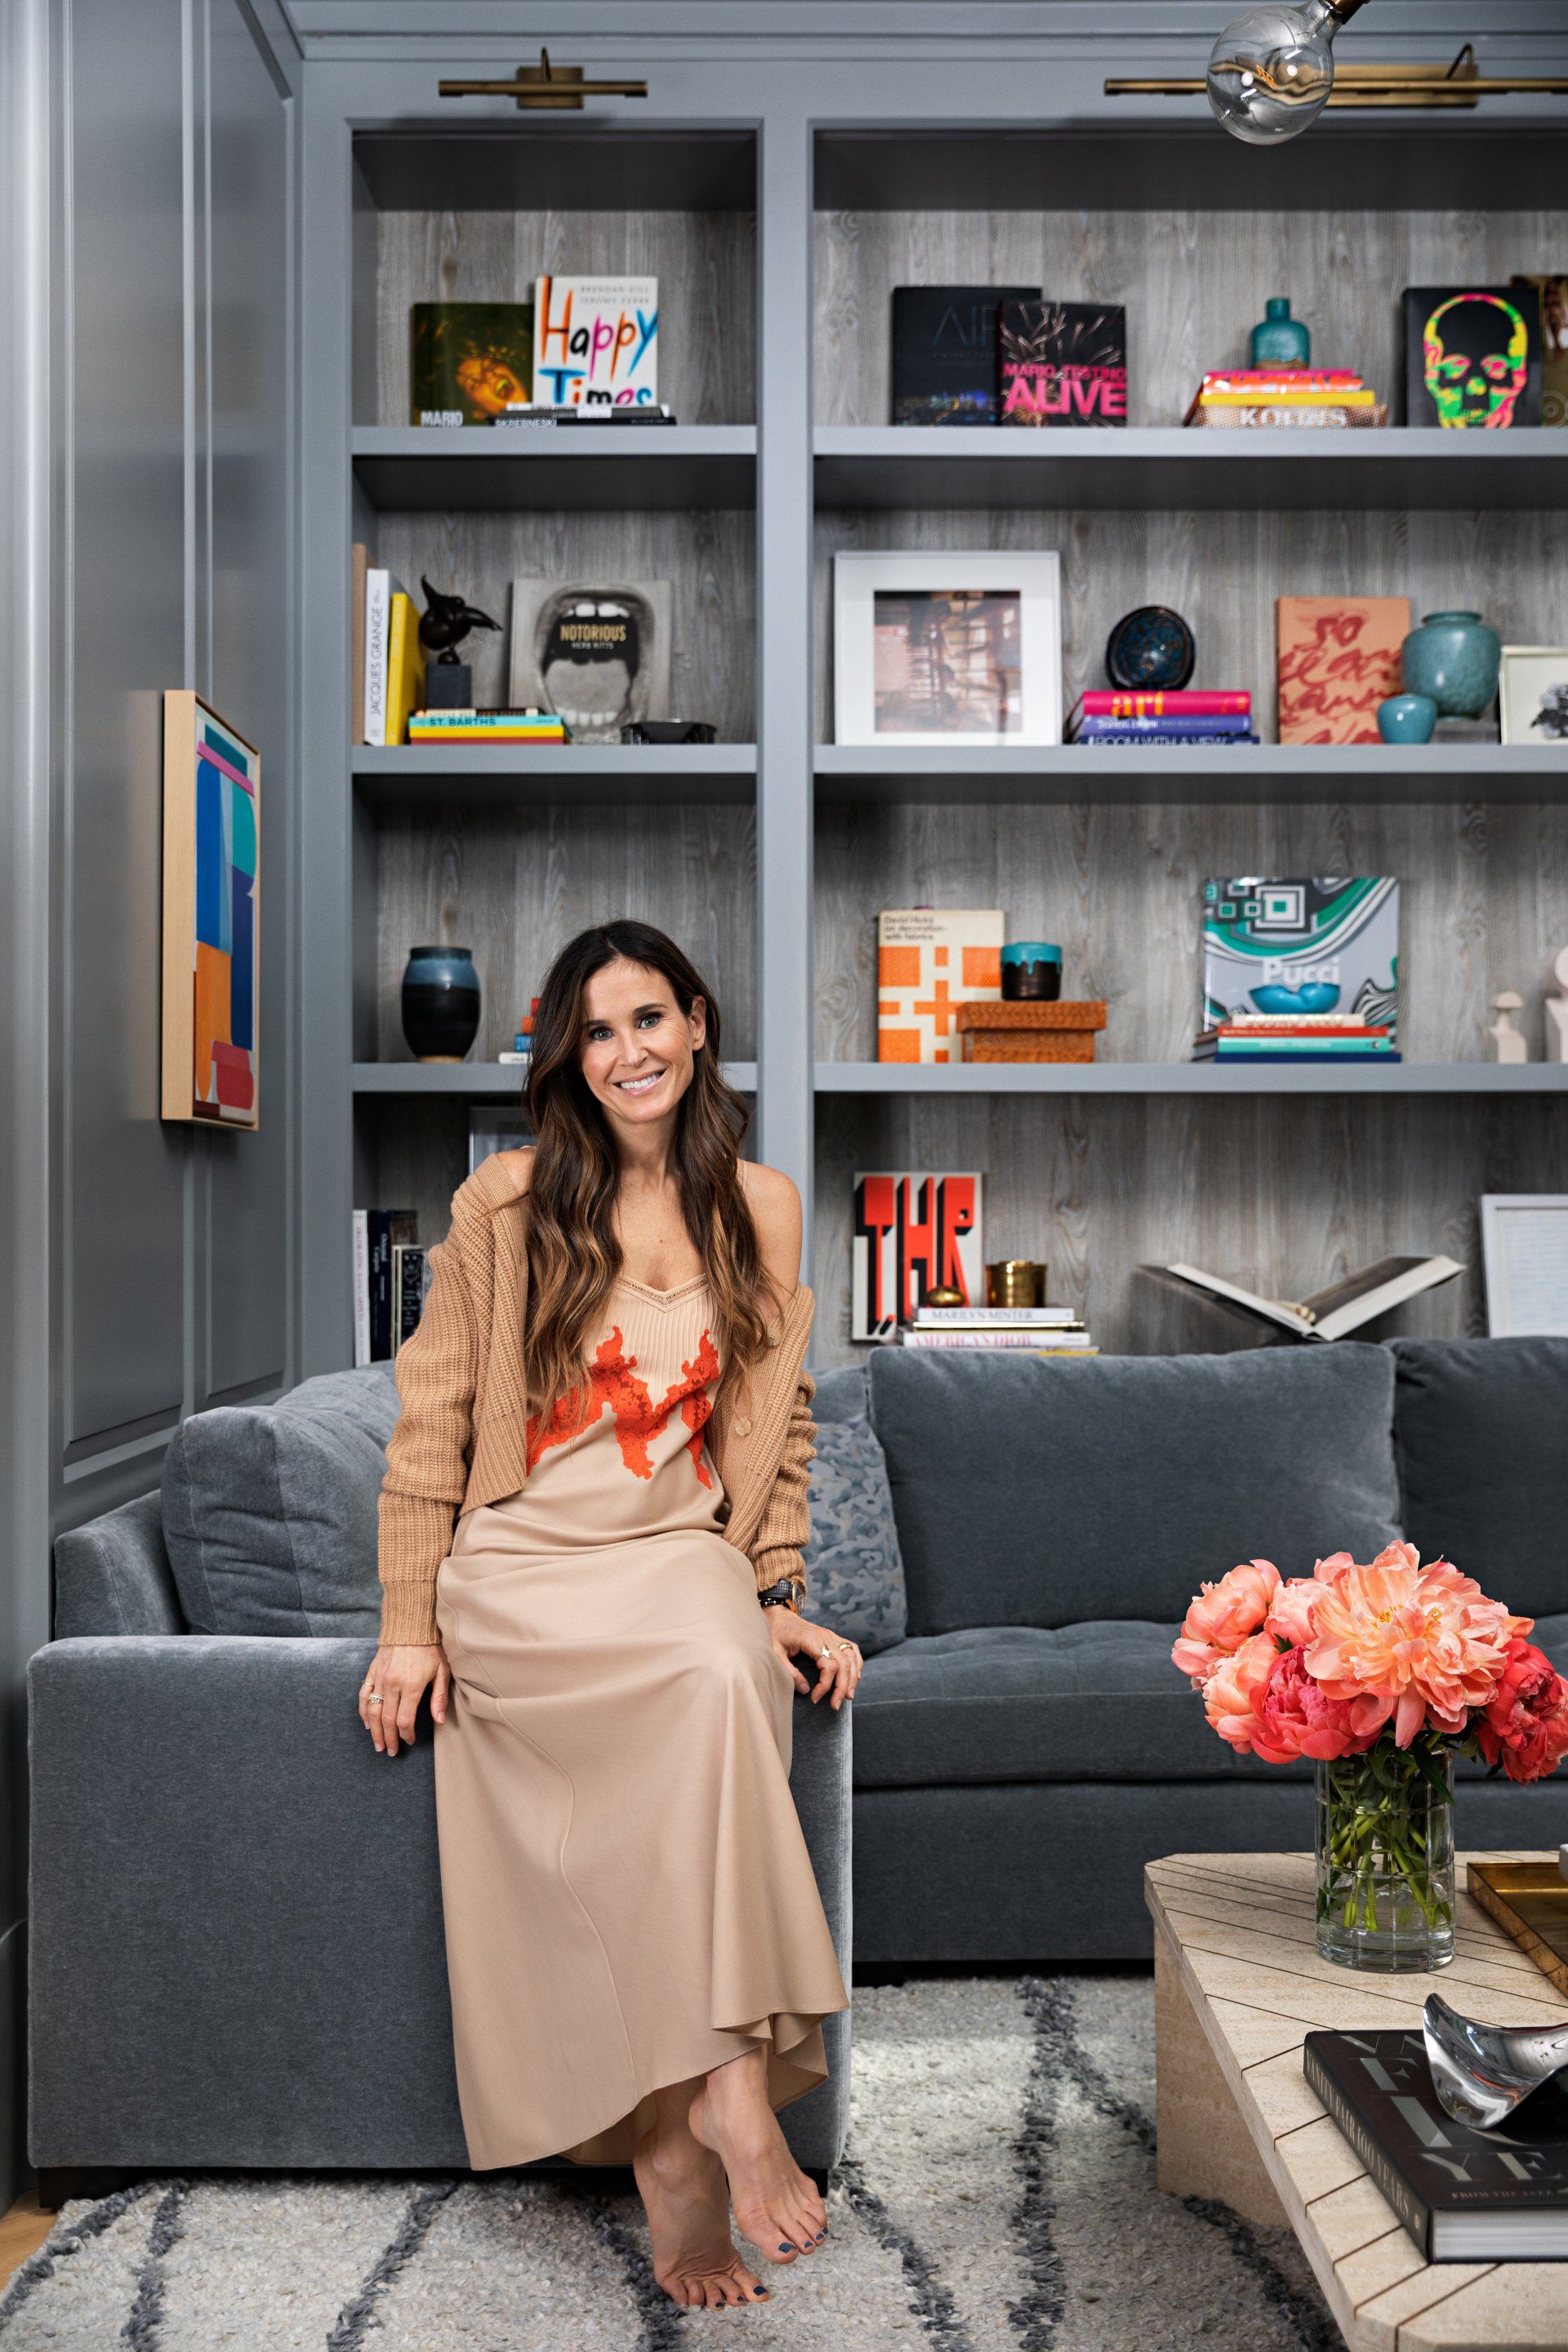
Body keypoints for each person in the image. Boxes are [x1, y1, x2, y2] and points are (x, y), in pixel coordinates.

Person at [357, 919, 857, 2311]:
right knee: (696, 1696)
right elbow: (432, 1418)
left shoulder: (760, 1205)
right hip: (523, 1564)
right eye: (596, 1030)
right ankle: (722, 2111)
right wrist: (410, 1620)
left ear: (697, 1024)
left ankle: (689, 2132)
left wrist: (772, 1594)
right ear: (567, 1058)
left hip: (675, 1554)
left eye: (648, 1019)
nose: (627, 1052)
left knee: (719, 1681)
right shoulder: (506, 1204)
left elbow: (777, 1422)